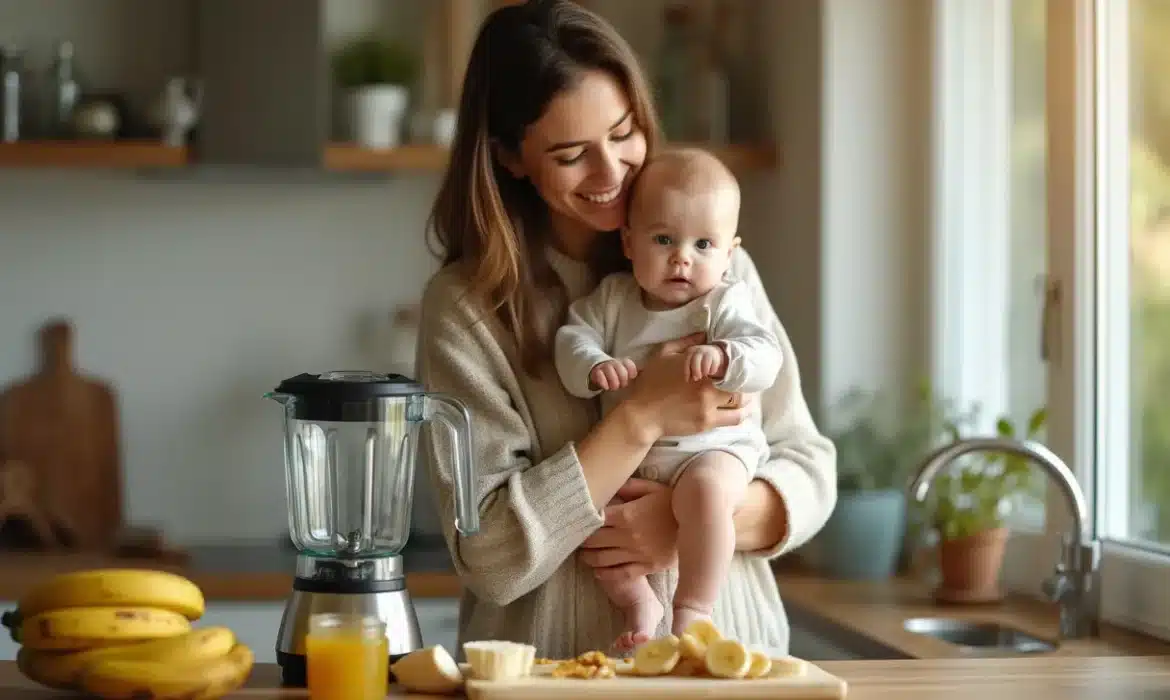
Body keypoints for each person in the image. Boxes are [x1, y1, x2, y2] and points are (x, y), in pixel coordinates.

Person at [415, 0, 836, 660]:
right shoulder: (468, 310)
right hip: (553, 672)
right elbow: (490, 557)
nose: (613, 174)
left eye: (623, 133)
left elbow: (809, 468)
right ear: (510, 157)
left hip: (730, 665)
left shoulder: (716, 265)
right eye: (572, 154)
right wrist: (639, 416)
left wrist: (682, 524)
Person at [553, 147, 783, 650]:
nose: (683, 257)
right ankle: (639, 601)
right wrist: (594, 365)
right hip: (633, 463)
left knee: (705, 496)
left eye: (704, 244)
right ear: (629, 243)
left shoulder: (725, 299)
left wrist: (726, 356)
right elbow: (571, 340)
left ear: (729, 253)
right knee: (588, 521)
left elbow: (767, 356)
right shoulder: (612, 300)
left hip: (714, 451)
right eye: (664, 239)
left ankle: (694, 607)